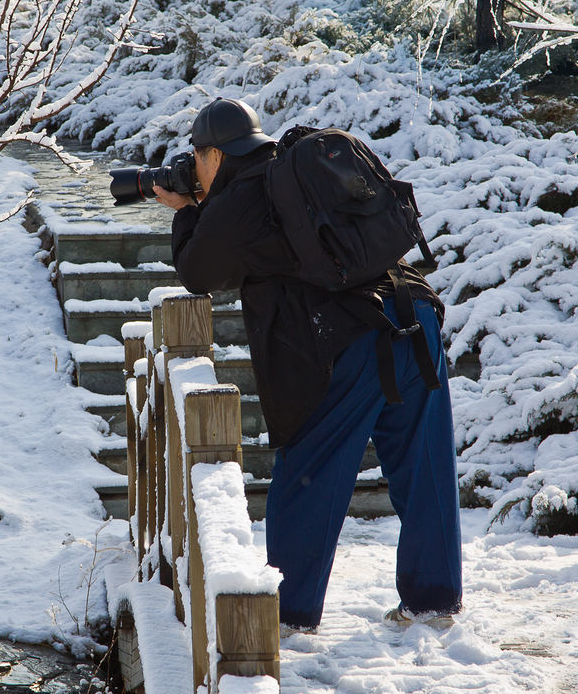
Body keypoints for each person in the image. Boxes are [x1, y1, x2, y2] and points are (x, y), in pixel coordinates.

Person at [154, 97, 462, 631]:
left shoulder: (241, 200)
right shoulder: (293, 173)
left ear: (216, 156)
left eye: (196, 156)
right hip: (414, 316)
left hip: (351, 338)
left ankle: (287, 616)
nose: (193, 168)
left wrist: (185, 212)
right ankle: (433, 603)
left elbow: (198, 271)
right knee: (426, 464)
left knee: (308, 472)